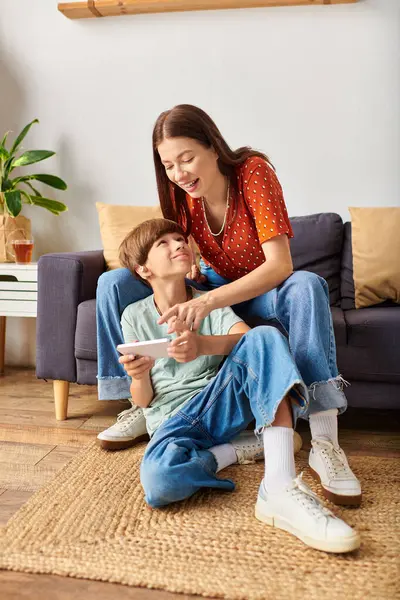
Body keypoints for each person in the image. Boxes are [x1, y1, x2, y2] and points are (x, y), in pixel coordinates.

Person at [97, 104, 362, 508]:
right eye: (169, 165)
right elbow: (176, 246)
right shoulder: (179, 190)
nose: (180, 174)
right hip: (214, 282)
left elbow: (280, 265)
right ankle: (136, 401)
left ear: (214, 148)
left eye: (187, 159)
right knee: (113, 280)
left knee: (307, 285)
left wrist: (208, 302)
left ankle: (324, 438)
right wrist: (192, 269)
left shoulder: (252, 173)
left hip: (263, 282)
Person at [110, 217, 360, 554]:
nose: (179, 245)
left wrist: (201, 345)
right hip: (173, 420)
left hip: (219, 404)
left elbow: (248, 342)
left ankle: (280, 485)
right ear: (144, 270)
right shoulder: (133, 316)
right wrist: (139, 376)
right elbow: (143, 400)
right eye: (164, 243)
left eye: (180, 239)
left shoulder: (208, 301)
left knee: (265, 337)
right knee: (160, 481)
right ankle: (233, 451)